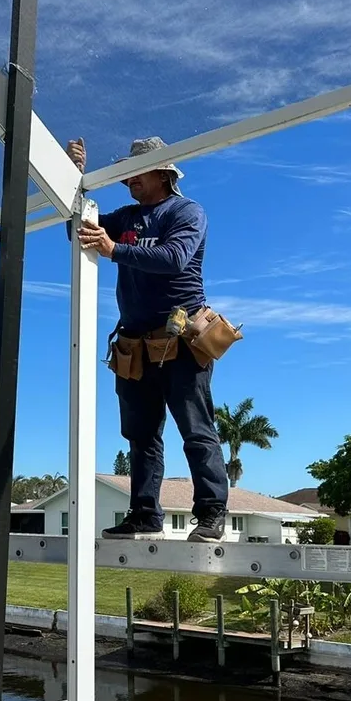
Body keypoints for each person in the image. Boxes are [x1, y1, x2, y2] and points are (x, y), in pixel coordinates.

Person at [67, 136, 230, 542]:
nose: (127, 180)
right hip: (135, 344)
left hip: (181, 339)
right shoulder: (124, 218)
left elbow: (175, 257)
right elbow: (78, 231)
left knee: (196, 429)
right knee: (140, 436)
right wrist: (73, 180)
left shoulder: (187, 211)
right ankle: (144, 515)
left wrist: (114, 251)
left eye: (134, 172)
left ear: (162, 172)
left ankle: (211, 513)